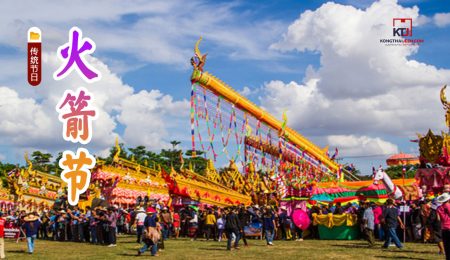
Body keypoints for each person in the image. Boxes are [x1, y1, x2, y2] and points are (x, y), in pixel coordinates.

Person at [437, 193, 450, 257]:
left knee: (447, 246)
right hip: (449, 226)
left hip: (444, 227)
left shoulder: (439, 207)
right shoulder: (447, 205)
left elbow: (438, 218)